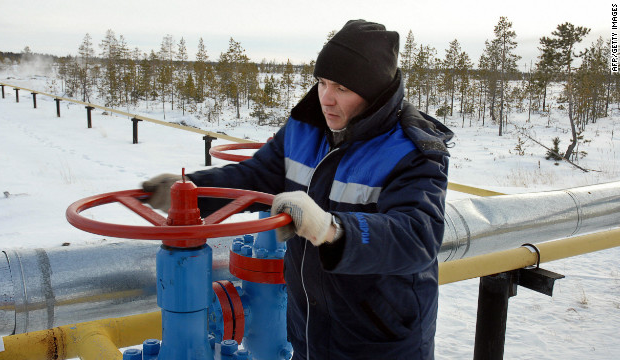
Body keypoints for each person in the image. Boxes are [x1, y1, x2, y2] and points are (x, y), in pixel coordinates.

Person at [143, 19, 453, 360]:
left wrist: (331, 229)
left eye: (343, 89)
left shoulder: (412, 152)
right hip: (308, 330)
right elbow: (256, 176)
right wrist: (190, 190)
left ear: (375, 93)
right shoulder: (305, 130)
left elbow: (417, 236)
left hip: (381, 340)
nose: (326, 99)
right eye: (322, 82)